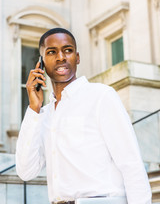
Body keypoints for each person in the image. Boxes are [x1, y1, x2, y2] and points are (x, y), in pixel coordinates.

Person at [16, 27, 152, 204]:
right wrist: (34, 110)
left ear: (77, 57)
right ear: (41, 63)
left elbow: (131, 164)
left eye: (68, 50)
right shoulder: (44, 115)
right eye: (52, 52)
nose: (61, 57)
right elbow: (26, 171)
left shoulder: (101, 96)